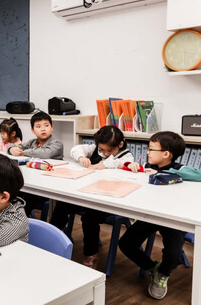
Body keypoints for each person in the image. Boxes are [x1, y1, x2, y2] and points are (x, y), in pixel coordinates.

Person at [50, 125, 133, 269]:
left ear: (120, 144)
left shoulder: (126, 156)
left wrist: (104, 164)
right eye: (102, 150)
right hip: (89, 195)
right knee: (63, 204)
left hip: (108, 202)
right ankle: (52, 238)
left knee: (89, 218)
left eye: (109, 150)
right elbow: (76, 149)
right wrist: (82, 158)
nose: (105, 153)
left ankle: (91, 254)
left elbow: (120, 163)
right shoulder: (95, 149)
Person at [120, 131, 189, 300]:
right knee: (126, 243)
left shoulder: (181, 170)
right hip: (151, 215)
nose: (148, 152)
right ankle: (153, 269)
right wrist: (131, 165)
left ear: (166, 154)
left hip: (173, 218)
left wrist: (164, 175)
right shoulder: (149, 165)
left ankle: (164, 273)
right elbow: (127, 169)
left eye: (151, 149)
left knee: (173, 255)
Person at [7, 111, 63, 217]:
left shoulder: (57, 143)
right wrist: (11, 149)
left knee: (24, 201)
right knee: (13, 194)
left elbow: (45, 153)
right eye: (38, 126)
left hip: (49, 185)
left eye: (46, 125)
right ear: (33, 130)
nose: (43, 129)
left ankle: (21, 224)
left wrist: (23, 152)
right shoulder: (32, 142)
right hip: (33, 182)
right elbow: (13, 146)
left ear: (52, 127)